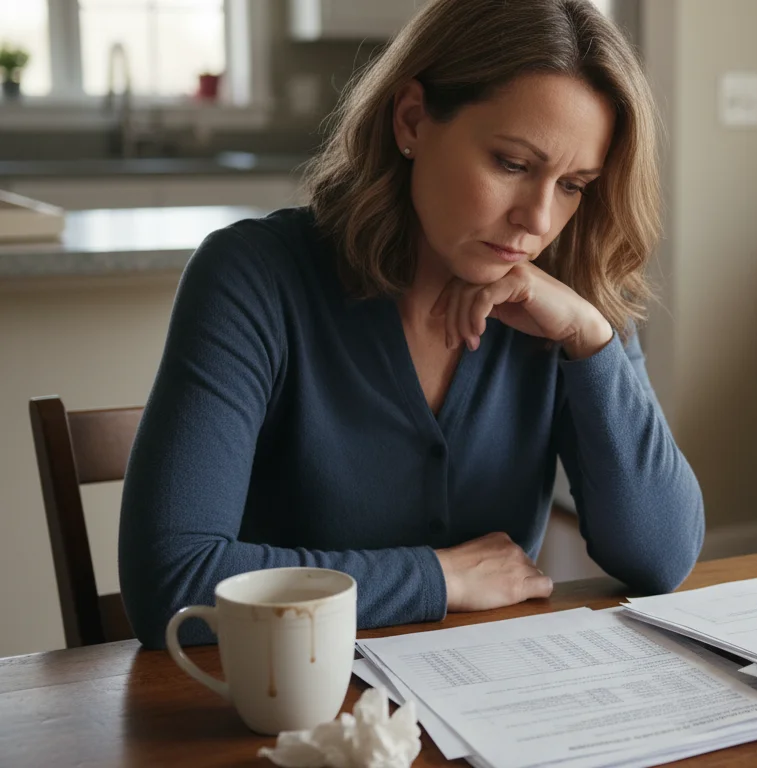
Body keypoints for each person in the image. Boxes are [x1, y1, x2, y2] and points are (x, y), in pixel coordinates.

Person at [119, 0, 704, 648]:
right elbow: (172, 584)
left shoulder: (567, 295)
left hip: (487, 707)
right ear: (412, 120)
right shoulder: (254, 277)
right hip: (288, 714)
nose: (538, 219)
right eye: (512, 164)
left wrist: (590, 340)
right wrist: (438, 578)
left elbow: (661, 558)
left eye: (574, 184)